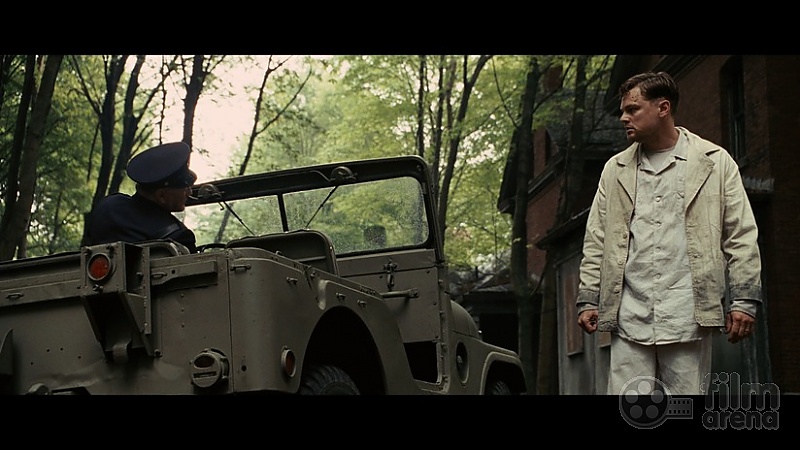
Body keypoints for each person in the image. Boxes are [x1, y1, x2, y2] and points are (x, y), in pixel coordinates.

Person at [576, 72, 763, 395]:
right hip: (629, 316)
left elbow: (741, 235)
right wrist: (588, 297)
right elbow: (597, 238)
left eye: (633, 109)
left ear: (663, 108)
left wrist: (744, 300)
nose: (623, 118)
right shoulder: (615, 169)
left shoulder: (714, 162)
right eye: (623, 111)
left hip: (687, 316)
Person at [88, 141, 198, 252]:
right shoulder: (179, 237)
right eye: (185, 188)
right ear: (161, 196)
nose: (189, 193)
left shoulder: (108, 208)